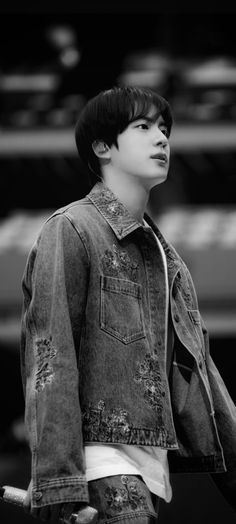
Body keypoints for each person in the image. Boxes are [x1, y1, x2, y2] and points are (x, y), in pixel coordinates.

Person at [20, 85, 236, 523]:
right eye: (143, 127)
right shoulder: (72, 229)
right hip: (99, 463)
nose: (162, 139)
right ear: (103, 146)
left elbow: (204, 382)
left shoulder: (167, 259)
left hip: (149, 471)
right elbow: (50, 356)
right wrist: (61, 483)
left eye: (164, 129)